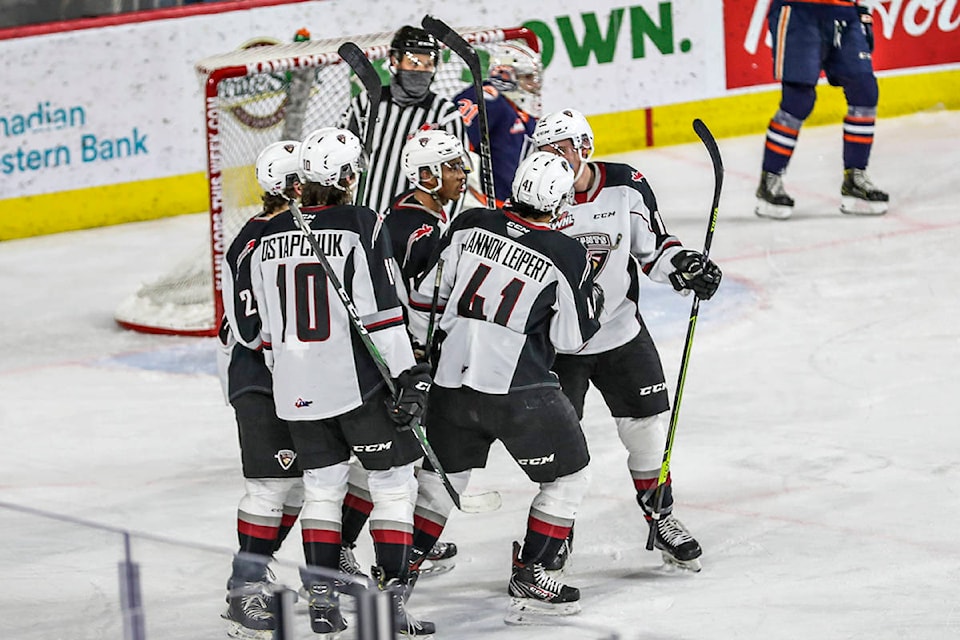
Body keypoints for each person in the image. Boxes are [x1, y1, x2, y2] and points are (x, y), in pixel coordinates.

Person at [243, 126, 435, 636]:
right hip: (357, 386)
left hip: (294, 389)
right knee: (394, 487)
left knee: (321, 490)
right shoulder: (360, 224)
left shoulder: (266, 238)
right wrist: (406, 379)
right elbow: (380, 315)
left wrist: (292, 372)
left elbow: (263, 334)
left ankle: (323, 598)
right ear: (347, 176)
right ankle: (391, 602)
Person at [404, 151, 603, 620]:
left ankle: (398, 580)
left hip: (451, 384)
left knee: (437, 486)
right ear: (557, 202)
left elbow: (422, 297)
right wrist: (588, 291)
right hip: (520, 393)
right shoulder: (565, 251)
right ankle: (532, 570)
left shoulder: (471, 222)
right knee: (570, 477)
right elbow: (571, 339)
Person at [533, 108, 722, 573]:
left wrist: (685, 267)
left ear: (584, 147)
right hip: (557, 345)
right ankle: (556, 537)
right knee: (563, 448)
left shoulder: (624, 184)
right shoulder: (536, 193)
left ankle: (661, 518)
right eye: (544, 151)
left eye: (561, 149)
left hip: (620, 332)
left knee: (648, 431)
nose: (552, 160)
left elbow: (655, 247)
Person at [337, 128, 471, 578]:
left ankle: (392, 542)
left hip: (405, 353)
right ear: (426, 175)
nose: (462, 173)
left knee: (402, 452)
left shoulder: (411, 216)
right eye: (452, 167)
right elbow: (413, 298)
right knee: (391, 455)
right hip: (402, 357)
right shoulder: (415, 229)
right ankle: (343, 544)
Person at [218, 140, 305, 639]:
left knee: (299, 483)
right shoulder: (257, 241)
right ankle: (243, 588)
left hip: (288, 379)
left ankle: (259, 566)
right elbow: (252, 332)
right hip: (260, 381)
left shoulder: (291, 230)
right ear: (294, 185)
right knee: (270, 486)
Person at [755, 0, 889, 219]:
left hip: (846, 11)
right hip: (799, 9)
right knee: (798, 99)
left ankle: (855, 178)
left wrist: (864, 8)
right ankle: (770, 179)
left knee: (864, 91)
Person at [340, 25, 468, 216]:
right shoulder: (365, 103)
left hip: (415, 224)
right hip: (363, 218)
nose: (421, 71)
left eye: (428, 64)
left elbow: (457, 177)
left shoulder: (444, 114)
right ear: (394, 60)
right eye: (414, 63)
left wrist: (444, 227)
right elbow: (340, 158)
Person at [453, 40, 542, 208]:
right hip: (492, 209)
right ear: (506, 75)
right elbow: (455, 142)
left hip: (519, 207)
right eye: (528, 77)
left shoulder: (521, 111)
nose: (534, 85)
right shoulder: (486, 99)